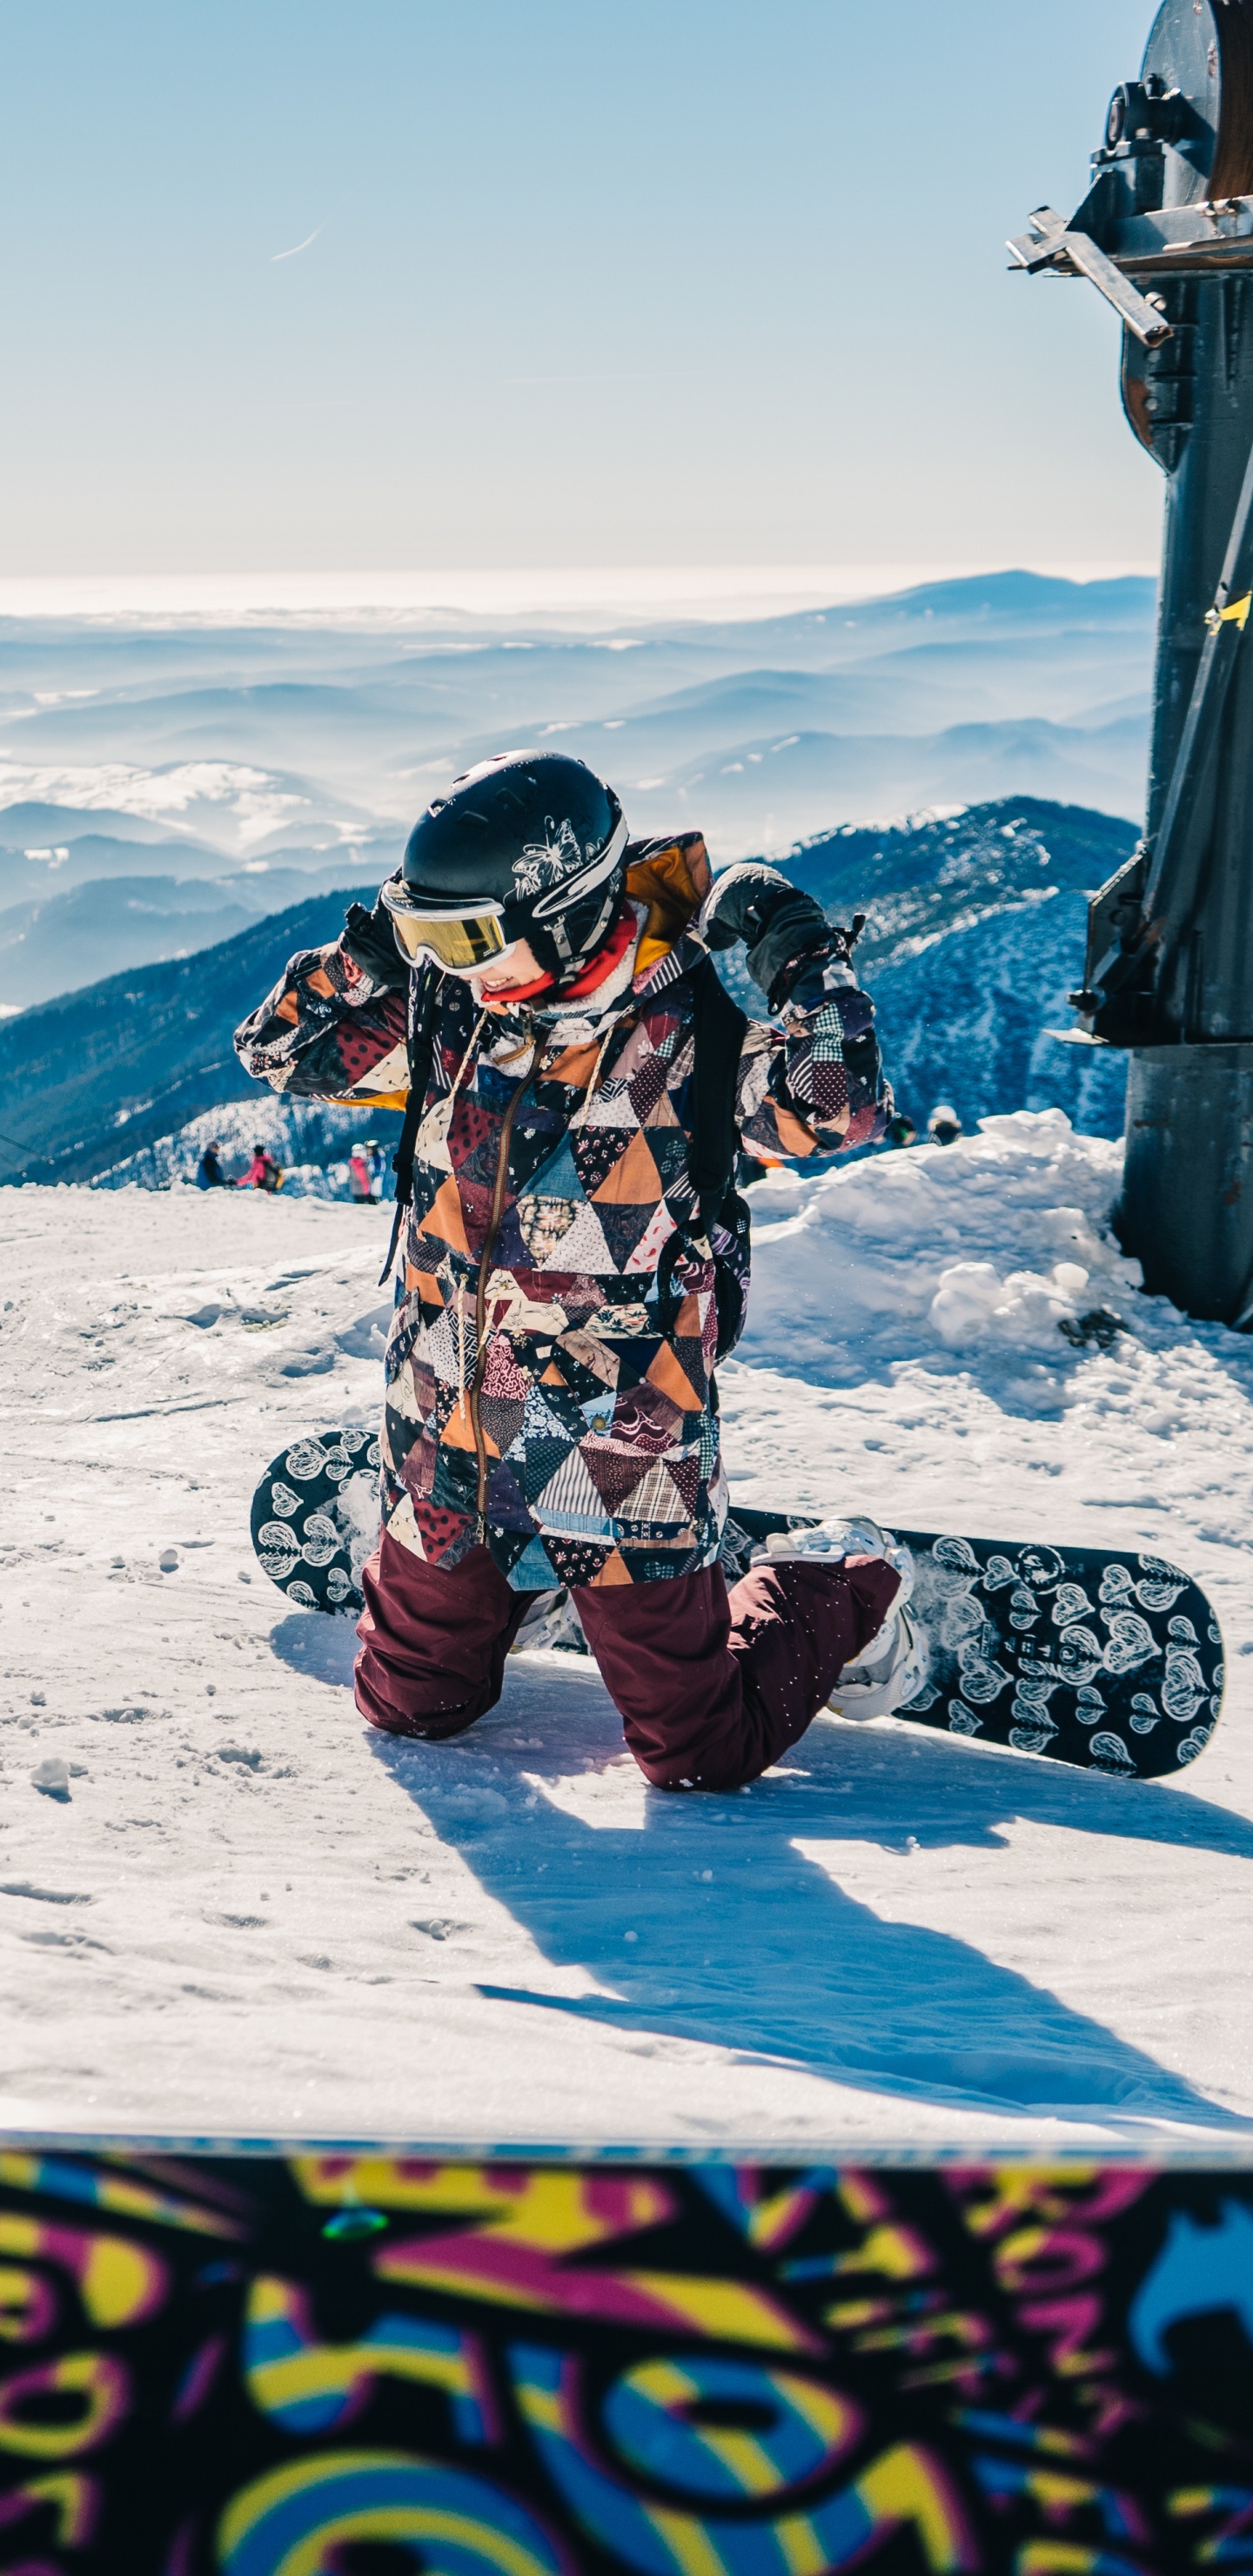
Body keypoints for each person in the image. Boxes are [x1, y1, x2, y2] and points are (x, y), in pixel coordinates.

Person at [235, 751, 908, 1793]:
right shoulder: (454, 1010)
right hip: (449, 1421)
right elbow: (278, 1051)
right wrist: (370, 953)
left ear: (562, 914)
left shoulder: (689, 1034)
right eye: (428, 937)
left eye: (467, 938)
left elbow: (836, 1107)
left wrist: (800, 953)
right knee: (410, 1706)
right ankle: (535, 1581)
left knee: (698, 1753)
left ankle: (843, 1576)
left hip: (614, 1439)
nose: (451, 965)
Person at [347, 1139, 374, 1203]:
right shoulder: (360, 1164)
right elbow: (363, 1177)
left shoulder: (352, 1163)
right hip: (363, 1191)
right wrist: (371, 1183)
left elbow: (350, 1177)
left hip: (355, 1191)